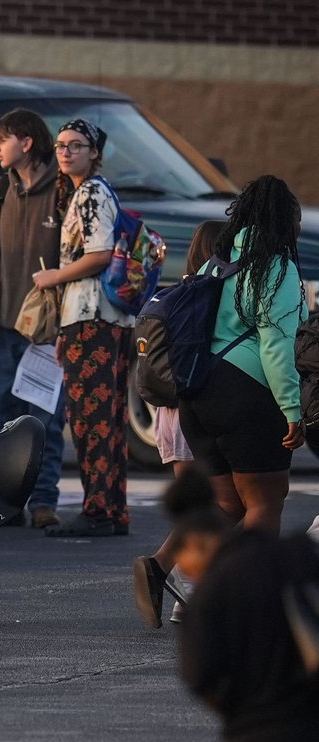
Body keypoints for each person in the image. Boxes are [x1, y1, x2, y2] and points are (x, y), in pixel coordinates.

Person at [165, 468, 319, 742]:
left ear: (195, 544)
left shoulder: (207, 599)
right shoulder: (295, 552)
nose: (188, 574)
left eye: (184, 565)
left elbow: (202, 678)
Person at [177, 175, 306, 533]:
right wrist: (292, 409)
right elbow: (276, 346)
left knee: (225, 505)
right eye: (296, 221)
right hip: (245, 395)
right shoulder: (276, 268)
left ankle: (162, 561)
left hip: (197, 394)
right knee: (265, 503)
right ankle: (249, 573)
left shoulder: (215, 264)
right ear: (284, 222)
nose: (298, 229)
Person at [32, 118, 132, 537]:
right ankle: (111, 510)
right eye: (60, 145)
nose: (66, 152)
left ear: (94, 153)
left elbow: (100, 254)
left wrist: (53, 277)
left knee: (91, 418)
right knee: (107, 418)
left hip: (92, 319)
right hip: (104, 319)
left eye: (76, 145)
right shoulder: (89, 192)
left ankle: (98, 511)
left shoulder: (91, 193)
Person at [0, 108, 67, 529]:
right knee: (3, 417)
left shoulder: (63, 191)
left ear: (26, 143)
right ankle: (4, 503)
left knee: (46, 419)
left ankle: (43, 502)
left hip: (49, 331)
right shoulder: (1, 190)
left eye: (3, 139)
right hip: (7, 326)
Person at [132, 220, 224, 628]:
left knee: (200, 504)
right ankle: (178, 581)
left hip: (166, 414)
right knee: (209, 506)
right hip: (191, 412)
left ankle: (184, 586)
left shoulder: (177, 291)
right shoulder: (207, 295)